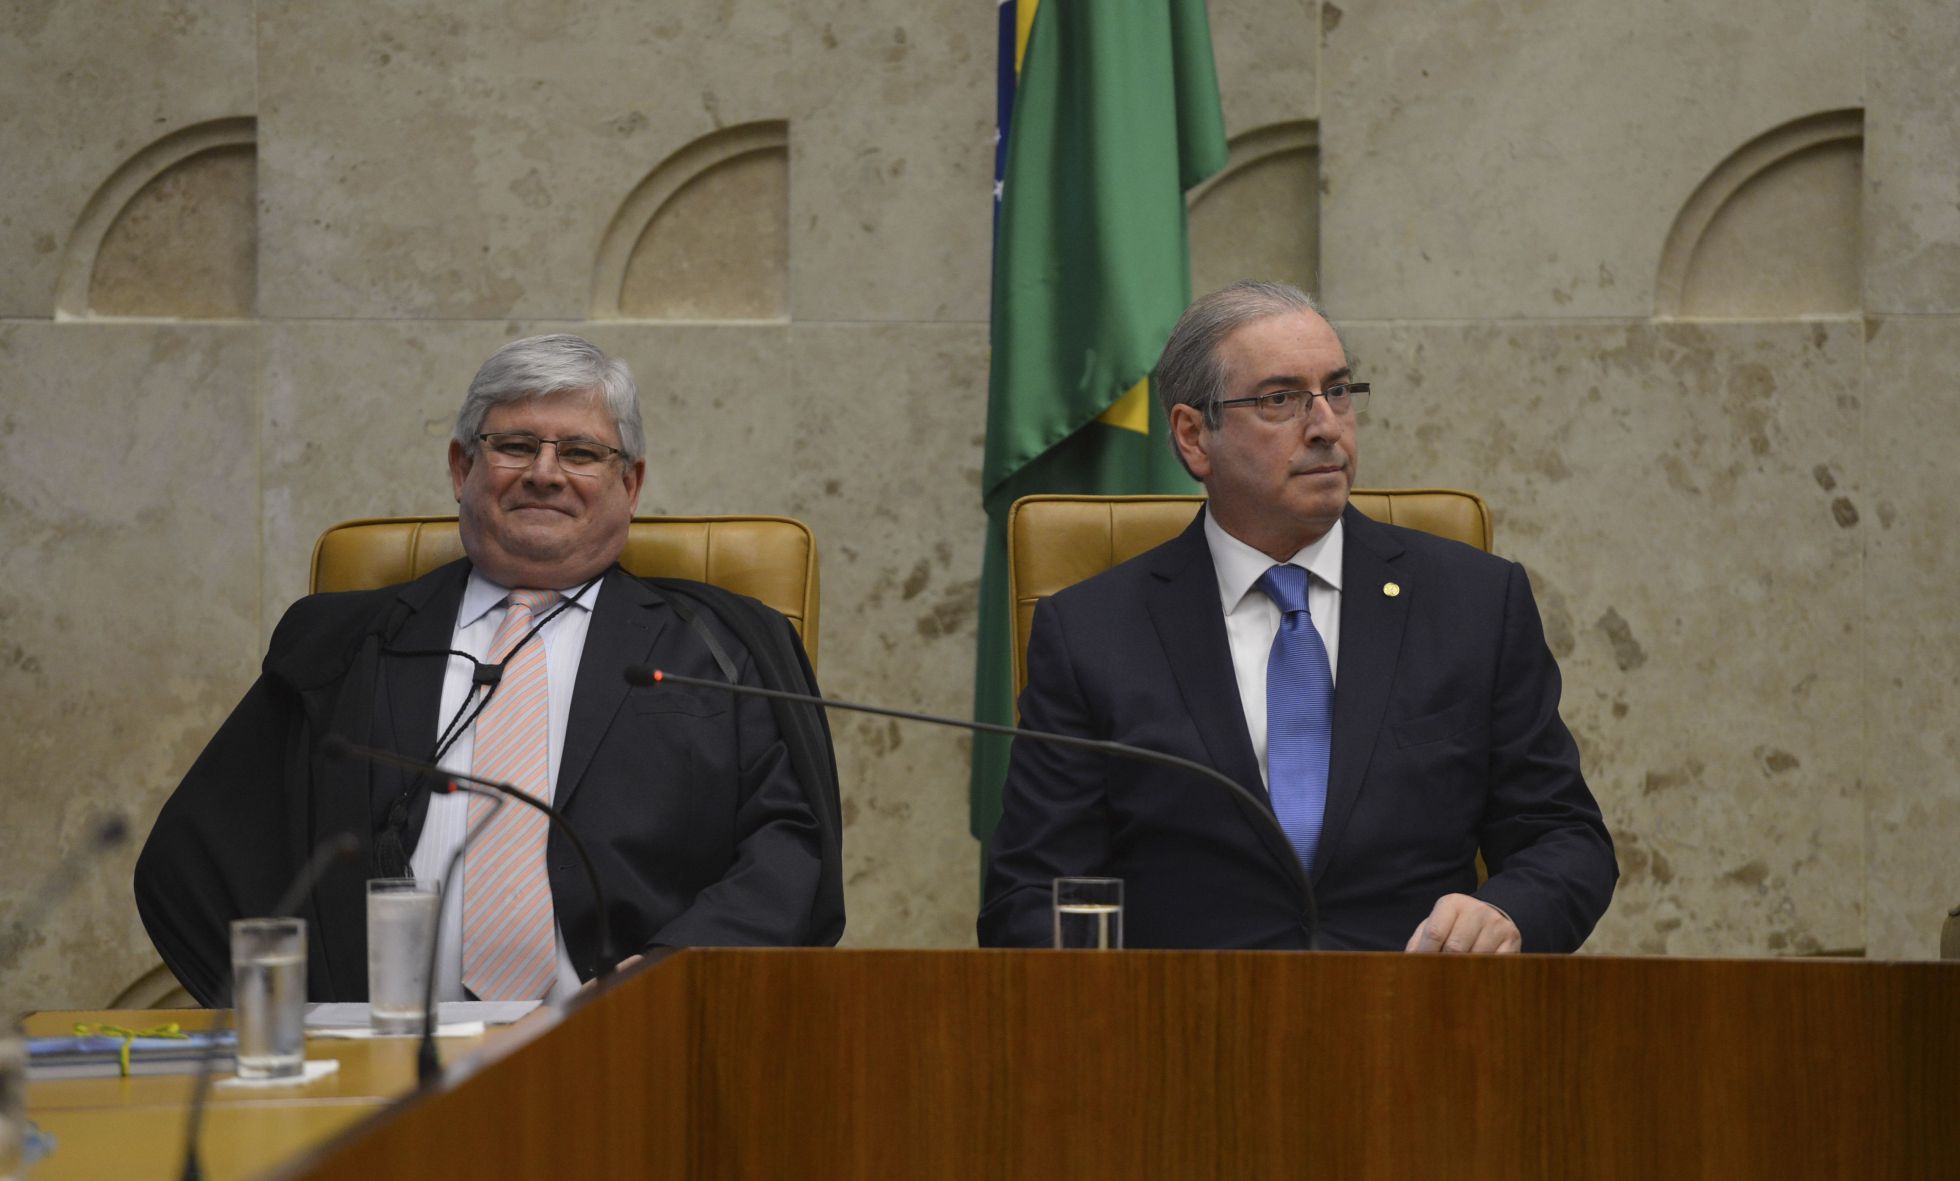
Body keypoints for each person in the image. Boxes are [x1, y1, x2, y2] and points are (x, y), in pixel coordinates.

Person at [137, 334, 842, 1005]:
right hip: (379, 1059)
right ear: (460, 468)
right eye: (513, 446)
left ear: (630, 484)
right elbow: (195, 860)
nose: (544, 471)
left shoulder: (724, 646)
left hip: (634, 1047)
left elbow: (791, 847)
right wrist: (296, 1016)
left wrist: (670, 979)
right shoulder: (346, 646)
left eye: (580, 452)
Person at [978, 282, 1615, 953]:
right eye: (1281, 399)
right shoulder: (1093, 635)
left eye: (1338, 391)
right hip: (1187, 1035)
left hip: (1420, 1025)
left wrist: (1508, 913)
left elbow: (1565, 837)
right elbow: (1030, 894)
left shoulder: (1473, 603)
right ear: (1194, 437)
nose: (1325, 426)